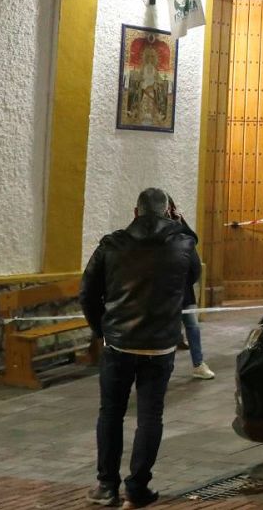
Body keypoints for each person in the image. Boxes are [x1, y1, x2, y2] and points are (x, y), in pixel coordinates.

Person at [81, 188, 199, 509]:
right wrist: (182, 223)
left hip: (118, 344)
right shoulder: (182, 243)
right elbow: (194, 275)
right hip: (159, 347)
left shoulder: (112, 244)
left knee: (111, 413)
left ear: (135, 212)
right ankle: (137, 488)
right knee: (150, 417)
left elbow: (87, 293)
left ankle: (106, 486)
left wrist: (100, 329)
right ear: (167, 213)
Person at [165, 200, 214, 380]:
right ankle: (166, 367)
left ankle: (198, 363)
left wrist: (180, 222)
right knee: (171, 330)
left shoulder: (181, 231)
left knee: (192, 326)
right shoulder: (160, 233)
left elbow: (193, 243)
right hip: (168, 292)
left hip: (185, 290)